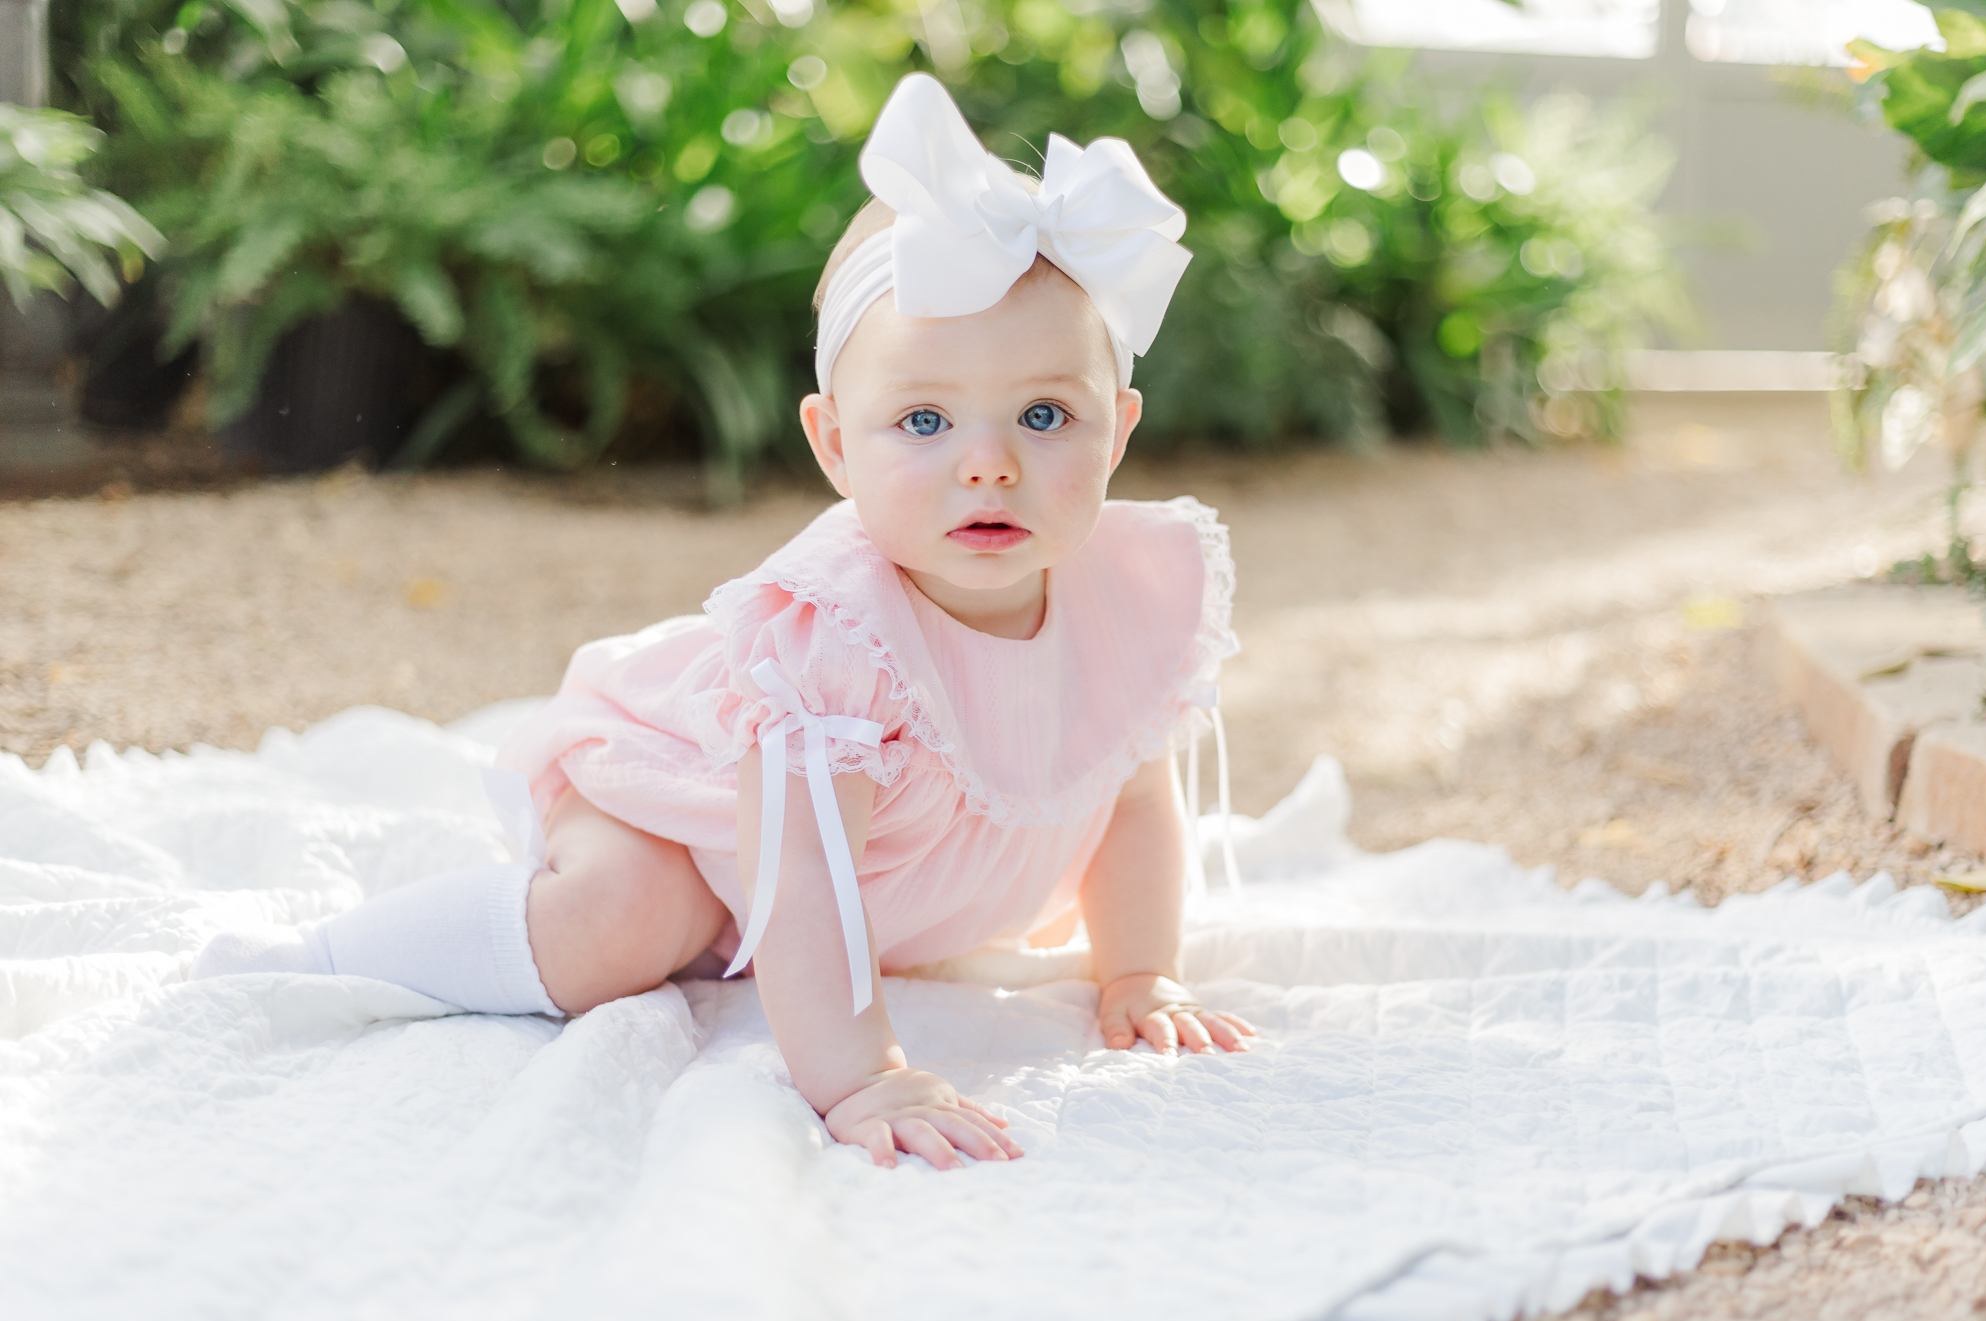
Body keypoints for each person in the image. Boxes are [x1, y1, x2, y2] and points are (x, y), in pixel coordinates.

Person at [195, 72, 1256, 1171]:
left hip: (870, 879)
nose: (986, 462)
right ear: (834, 443)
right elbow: (800, 881)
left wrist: (1137, 972)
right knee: (618, 928)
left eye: (1044, 414)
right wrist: (863, 1075)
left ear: (1118, 428)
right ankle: (315, 959)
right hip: (691, 812)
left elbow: (1134, 802)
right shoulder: (833, 646)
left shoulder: (1132, 593)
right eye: (923, 419)